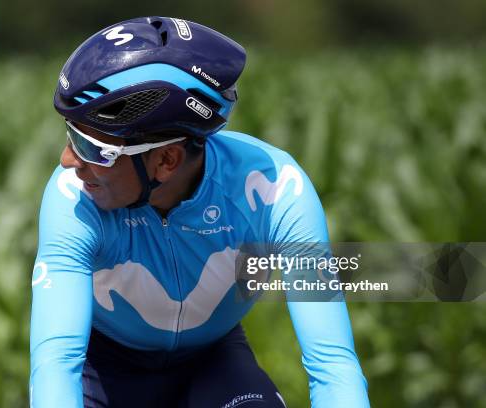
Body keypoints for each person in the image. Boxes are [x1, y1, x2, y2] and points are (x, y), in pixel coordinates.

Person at [29, 16, 370, 408]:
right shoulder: (71, 196)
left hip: (213, 365)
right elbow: (54, 364)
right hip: (102, 371)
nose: (68, 161)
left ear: (166, 160)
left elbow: (332, 366)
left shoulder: (275, 189)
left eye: (91, 148)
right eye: (70, 134)